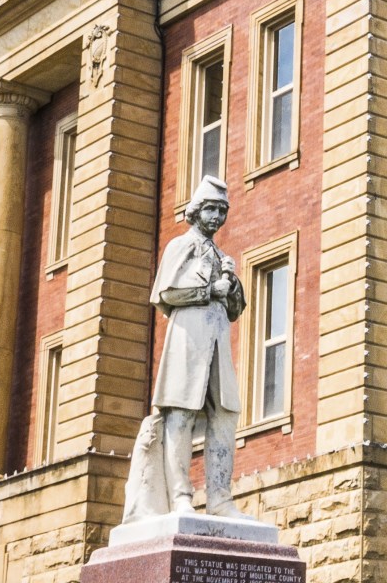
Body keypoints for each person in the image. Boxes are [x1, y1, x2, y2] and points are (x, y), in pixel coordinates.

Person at [122, 176, 250, 521]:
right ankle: (180, 495)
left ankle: (220, 498)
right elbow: (165, 293)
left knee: (224, 415)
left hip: (217, 345)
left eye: (222, 210)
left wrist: (231, 286)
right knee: (180, 414)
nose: (217, 217)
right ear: (195, 212)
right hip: (187, 340)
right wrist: (211, 291)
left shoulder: (222, 257)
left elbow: (236, 309)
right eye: (211, 209)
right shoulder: (180, 247)